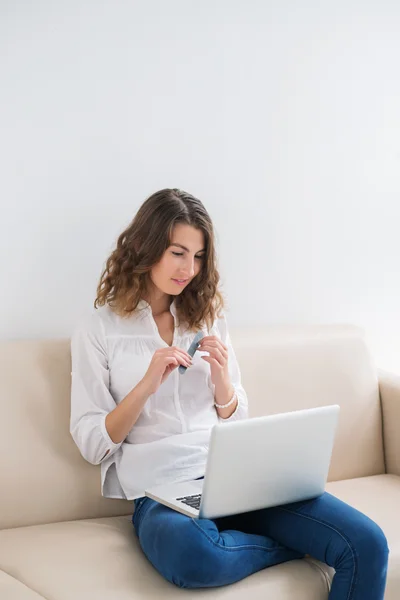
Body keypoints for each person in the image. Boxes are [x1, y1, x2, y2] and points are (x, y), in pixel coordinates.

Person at [70, 188, 389, 597]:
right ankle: (292, 548)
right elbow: (93, 444)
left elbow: (236, 419)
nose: (189, 268)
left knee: (368, 544)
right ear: (144, 247)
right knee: (194, 557)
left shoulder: (206, 315)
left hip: (236, 476)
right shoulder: (98, 329)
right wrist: (148, 384)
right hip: (162, 491)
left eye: (199, 256)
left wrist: (223, 385)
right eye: (177, 252)